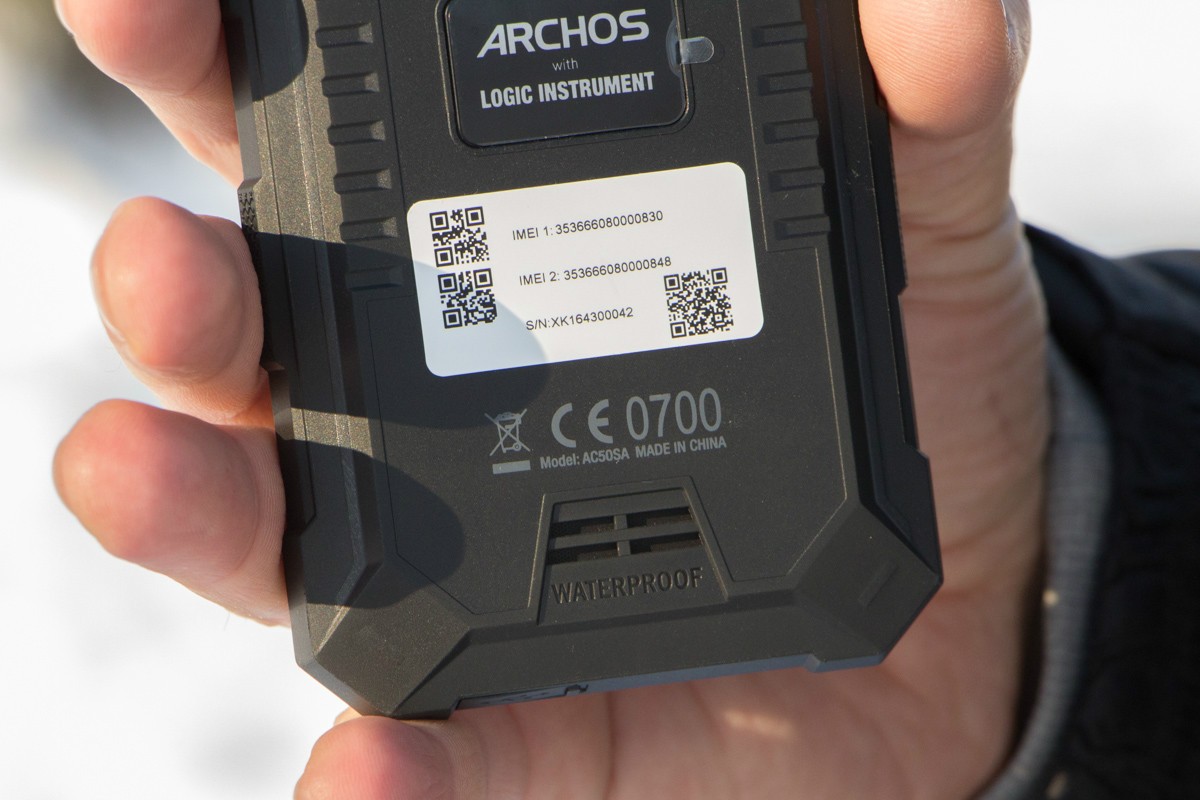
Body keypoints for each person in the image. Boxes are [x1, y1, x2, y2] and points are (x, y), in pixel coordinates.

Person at [50, 0, 1200, 797]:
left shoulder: (843, 555)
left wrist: (1074, 592)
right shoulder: (835, 555)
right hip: (806, 557)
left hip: (835, 558)